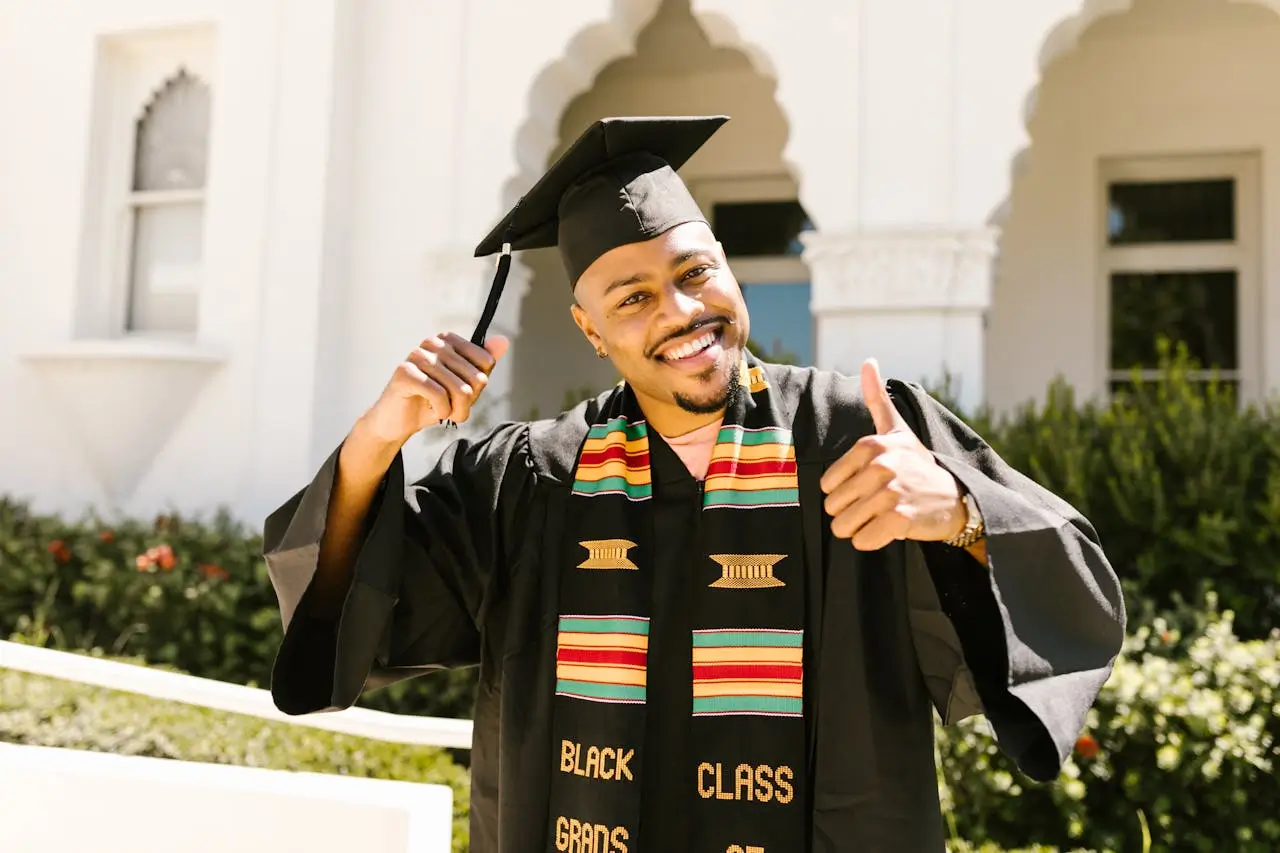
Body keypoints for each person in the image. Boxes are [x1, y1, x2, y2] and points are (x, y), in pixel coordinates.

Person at [263, 115, 1126, 853]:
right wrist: (380, 437)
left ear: (726, 263)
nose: (679, 311)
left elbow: (1074, 591)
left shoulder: (857, 433)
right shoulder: (529, 480)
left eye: (693, 271)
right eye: (631, 298)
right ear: (589, 330)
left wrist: (959, 514)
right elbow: (352, 617)